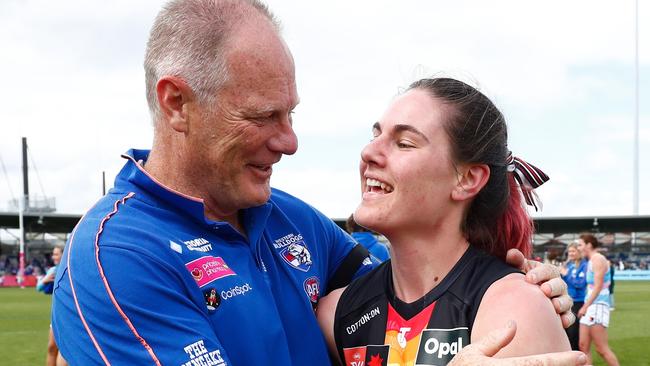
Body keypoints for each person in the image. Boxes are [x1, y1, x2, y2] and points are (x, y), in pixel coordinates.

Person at [51, 1, 575, 365]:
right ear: (176, 103)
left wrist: (531, 291)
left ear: (469, 178)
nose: (290, 141)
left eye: (291, 114)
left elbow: (412, 295)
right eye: (262, 116)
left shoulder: (292, 221)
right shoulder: (116, 255)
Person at [318, 78, 583, 365]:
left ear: (467, 179)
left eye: (404, 143)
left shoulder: (513, 310)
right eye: (375, 136)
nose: (368, 153)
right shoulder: (337, 313)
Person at [577, 234, 620, 365]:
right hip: (590, 306)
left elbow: (598, 286)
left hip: (598, 305)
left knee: (602, 349)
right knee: (583, 346)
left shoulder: (598, 259)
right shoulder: (590, 260)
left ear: (589, 245)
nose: (579, 248)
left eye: (580, 245)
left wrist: (585, 306)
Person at [37, 246, 67, 366]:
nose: (54, 257)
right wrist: (45, 281)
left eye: (56, 254)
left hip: (68, 313)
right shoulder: (53, 270)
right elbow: (39, 288)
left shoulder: (72, 269)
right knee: (51, 348)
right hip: (56, 313)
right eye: (53, 254)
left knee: (64, 351)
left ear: (64, 254)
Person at [561, 241, 588, 351]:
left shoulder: (585, 266)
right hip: (567, 302)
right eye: (569, 251)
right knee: (566, 333)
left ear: (579, 252)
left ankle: (577, 359)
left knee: (574, 334)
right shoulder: (569, 265)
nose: (570, 253)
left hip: (578, 303)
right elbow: (564, 284)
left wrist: (566, 274)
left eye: (573, 251)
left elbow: (581, 284)